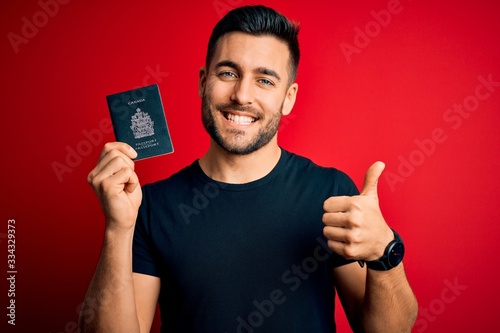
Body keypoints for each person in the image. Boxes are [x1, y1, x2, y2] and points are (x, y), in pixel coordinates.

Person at [79, 5, 418, 333]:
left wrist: (384, 251)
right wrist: (118, 229)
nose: (242, 95)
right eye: (228, 73)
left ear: (288, 98)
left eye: (265, 81)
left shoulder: (329, 192)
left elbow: (390, 330)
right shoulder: (149, 206)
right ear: (203, 82)